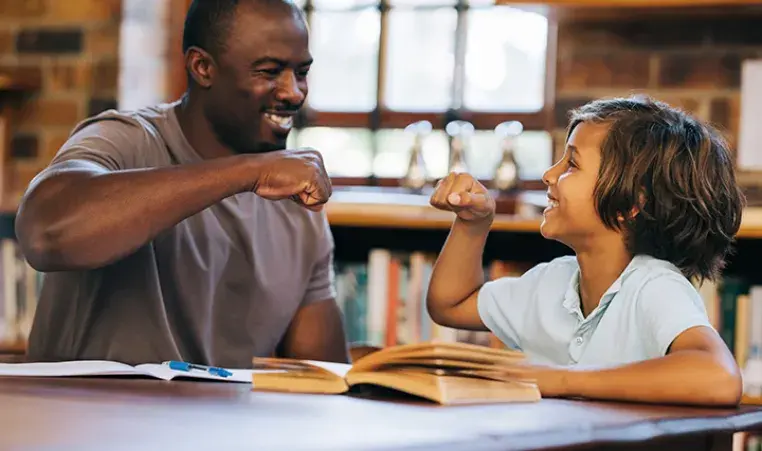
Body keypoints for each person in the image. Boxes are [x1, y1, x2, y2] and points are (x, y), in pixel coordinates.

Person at [15, 0, 350, 367]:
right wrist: (248, 172)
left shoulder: (297, 206)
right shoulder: (127, 140)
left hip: (220, 423)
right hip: (89, 420)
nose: (294, 92)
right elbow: (46, 234)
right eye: (269, 72)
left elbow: (323, 376)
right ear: (202, 67)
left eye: (301, 72)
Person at [426, 95, 745, 406]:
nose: (548, 174)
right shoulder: (550, 282)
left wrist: (562, 380)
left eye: (572, 164)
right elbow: (449, 305)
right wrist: (473, 224)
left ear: (631, 204)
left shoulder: (654, 287)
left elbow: (719, 377)